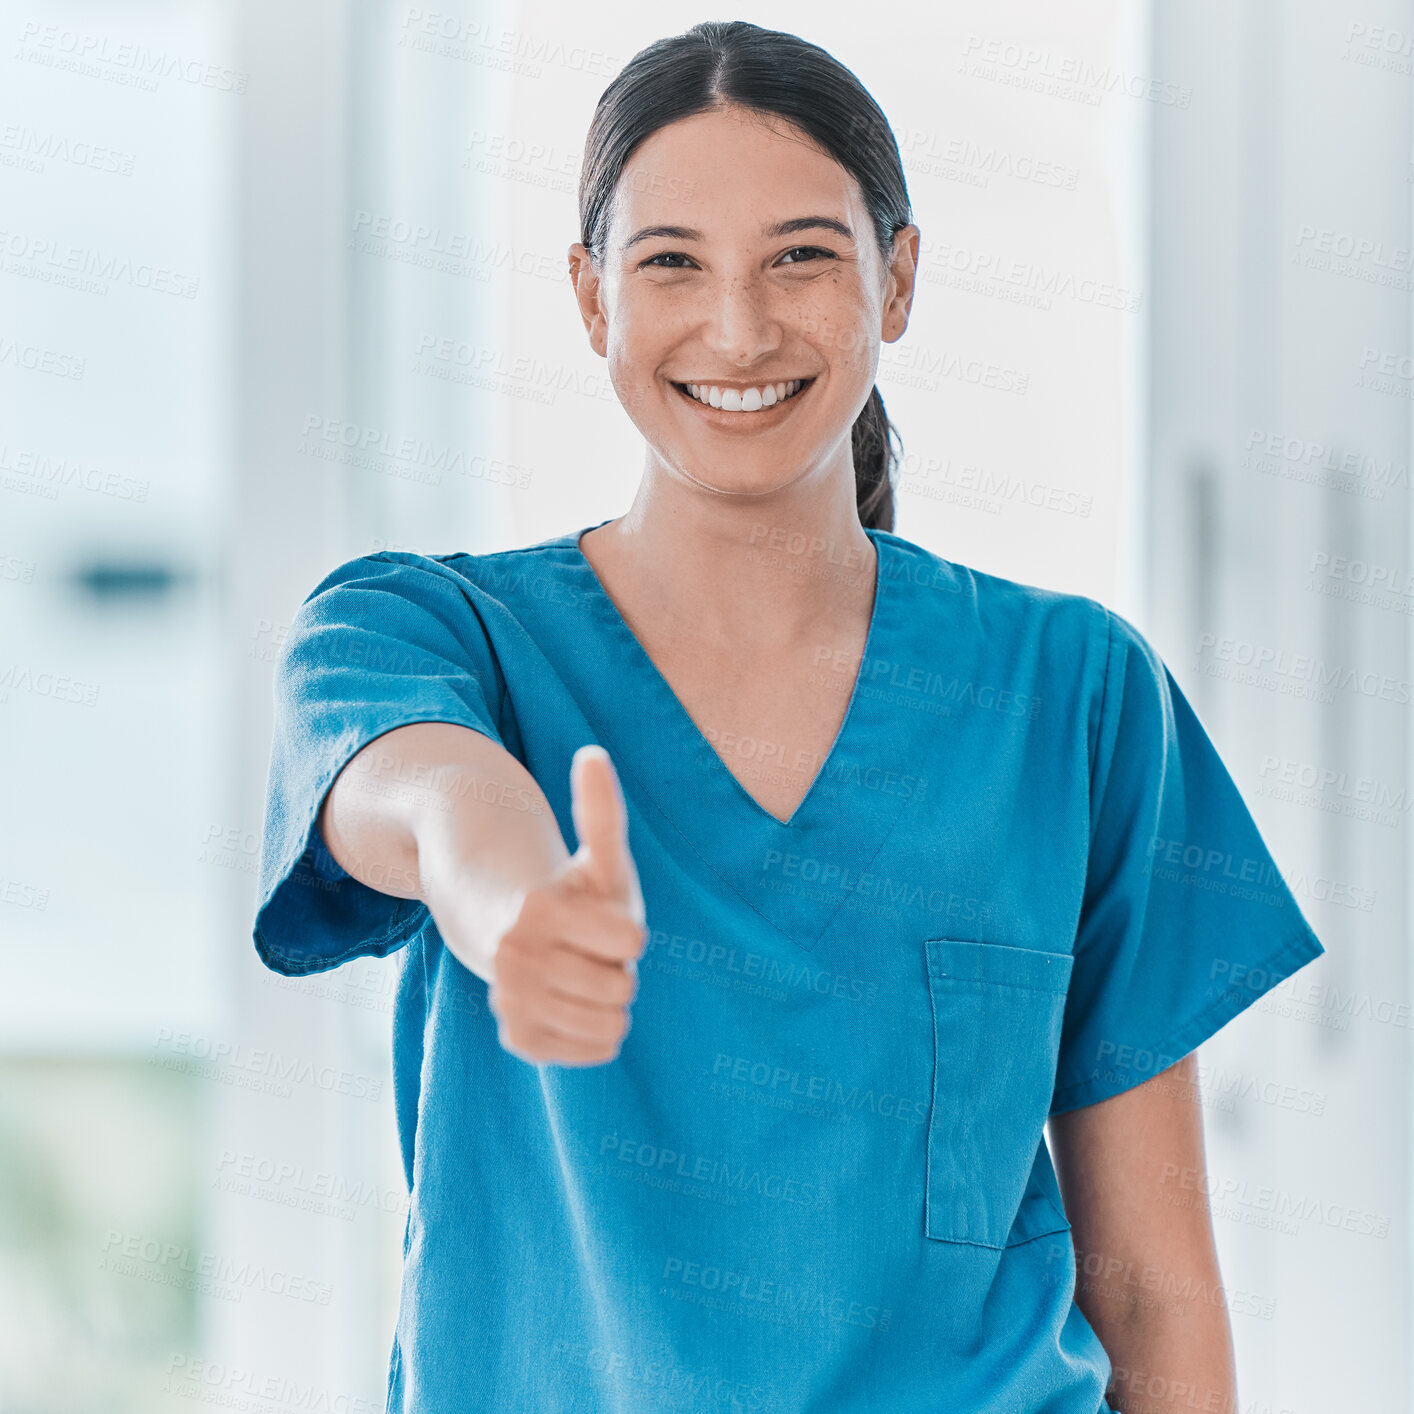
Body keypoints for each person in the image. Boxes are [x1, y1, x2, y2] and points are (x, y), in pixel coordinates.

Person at [252, 20, 1326, 1413]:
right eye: (670, 263)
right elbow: (415, 787)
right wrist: (503, 894)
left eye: (802, 255)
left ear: (899, 277)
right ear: (591, 300)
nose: (739, 326)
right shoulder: (429, 631)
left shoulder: (1075, 695)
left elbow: (1152, 1289)